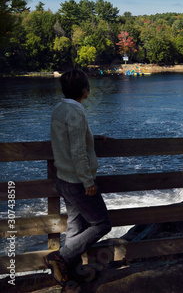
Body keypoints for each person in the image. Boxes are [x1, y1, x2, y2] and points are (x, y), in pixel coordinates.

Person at [44, 69, 112, 287]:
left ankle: (68, 274)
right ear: (85, 90)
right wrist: (88, 181)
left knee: (75, 226)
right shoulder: (76, 112)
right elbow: (77, 151)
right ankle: (60, 258)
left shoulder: (59, 109)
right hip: (77, 181)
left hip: (63, 179)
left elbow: (70, 140)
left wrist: (92, 137)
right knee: (102, 223)